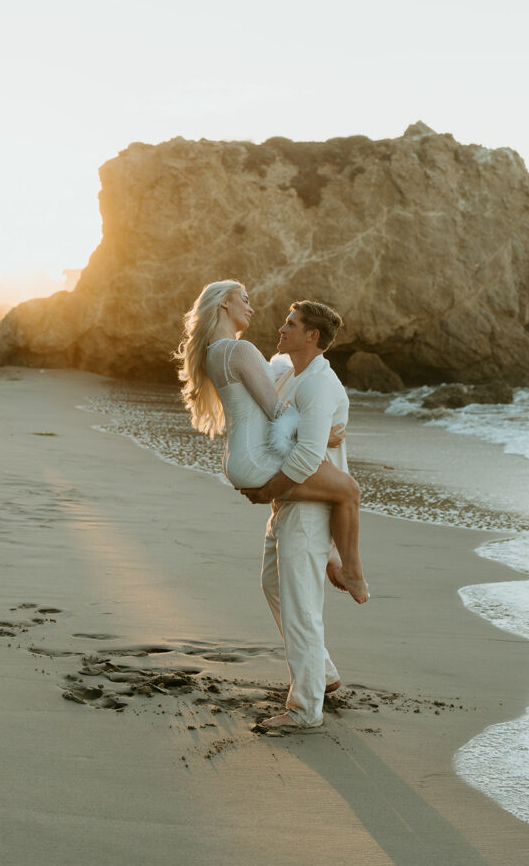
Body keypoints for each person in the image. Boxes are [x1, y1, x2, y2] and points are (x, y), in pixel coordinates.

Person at [173, 279, 368, 604]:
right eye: (244, 299)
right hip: (255, 460)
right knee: (348, 490)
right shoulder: (239, 349)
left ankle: (333, 558)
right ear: (224, 303)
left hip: (240, 458)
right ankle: (353, 571)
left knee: (329, 486)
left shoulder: (214, 352)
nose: (251, 307)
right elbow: (276, 410)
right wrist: (321, 436)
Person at [241, 297, 356, 730]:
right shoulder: (291, 375)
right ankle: (321, 674)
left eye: (291, 324)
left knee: (302, 606)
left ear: (313, 336)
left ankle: (305, 709)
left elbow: (307, 456)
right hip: (288, 503)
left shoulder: (319, 384)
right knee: (274, 584)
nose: (281, 328)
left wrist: (267, 489)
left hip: (308, 508)